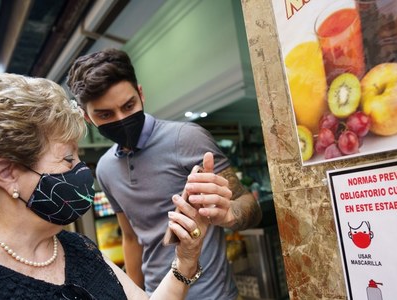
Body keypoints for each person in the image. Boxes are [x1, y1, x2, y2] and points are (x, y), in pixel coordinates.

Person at [0, 71, 208, 299]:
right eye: (67, 158)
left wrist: (185, 260)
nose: (81, 169)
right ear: (7, 173)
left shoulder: (76, 248)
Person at [67, 48, 262, 299]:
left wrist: (230, 215)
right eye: (105, 114)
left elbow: (250, 206)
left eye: (128, 106)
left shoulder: (187, 138)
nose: (122, 118)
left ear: (141, 94)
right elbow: (131, 238)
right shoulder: (104, 169)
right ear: (87, 118)